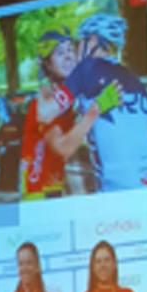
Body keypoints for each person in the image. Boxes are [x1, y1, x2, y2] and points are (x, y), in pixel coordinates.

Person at [64, 13, 147, 192]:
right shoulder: (133, 79)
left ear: (93, 41)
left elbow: (49, 112)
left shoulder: (86, 68)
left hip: (116, 185)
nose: (76, 49)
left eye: (78, 42)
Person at [20, 29, 99, 199]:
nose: (68, 56)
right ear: (47, 64)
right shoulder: (45, 99)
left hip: (65, 184)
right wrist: (94, 113)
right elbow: (64, 148)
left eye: (70, 50)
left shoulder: (75, 94)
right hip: (42, 191)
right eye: (60, 53)